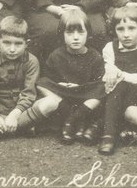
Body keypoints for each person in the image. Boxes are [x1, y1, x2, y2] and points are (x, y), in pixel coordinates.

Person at [35, 7, 108, 144]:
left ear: (88, 33)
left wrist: (81, 86)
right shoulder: (56, 55)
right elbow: (49, 78)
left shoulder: (95, 56)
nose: (75, 37)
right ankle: (74, 117)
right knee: (41, 83)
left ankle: (72, 120)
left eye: (81, 32)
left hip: (85, 96)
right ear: (62, 34)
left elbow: (97, 82)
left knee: (103, 88)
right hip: (65, 95)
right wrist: (60, 84)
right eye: (69, 32)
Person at [98, 6, 137, 155]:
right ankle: (109, 136)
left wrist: (120, 74)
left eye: (132, 28)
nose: (126, 34)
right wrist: (114, 74)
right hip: (116, 93)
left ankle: (104, 128)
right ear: (114, 30)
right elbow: (108, 75)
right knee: (117, 87)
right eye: (120, 29)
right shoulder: (110, 47)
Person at [0, 16, 43, 141]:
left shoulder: (31, 61)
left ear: (26, 44)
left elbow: (29, 93)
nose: (12, 49)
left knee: (48, 104)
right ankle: (23, 127)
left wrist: (15, 114)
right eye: (7, 43)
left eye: (18, 44)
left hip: (22, 110)